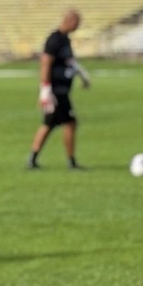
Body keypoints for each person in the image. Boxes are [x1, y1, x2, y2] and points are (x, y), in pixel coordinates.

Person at [27, 9, 91, 170]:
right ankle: (71, 162)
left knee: (49, 124)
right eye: (77, 22)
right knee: (70, 123)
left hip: (61, 89)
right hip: (57, 91)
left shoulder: (65, 40)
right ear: (69, 21)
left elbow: (68, 62)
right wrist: (45, 89)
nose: (78, 26)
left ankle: (32, 159)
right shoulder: (54, 40)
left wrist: (81, 75)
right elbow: (45, 63)